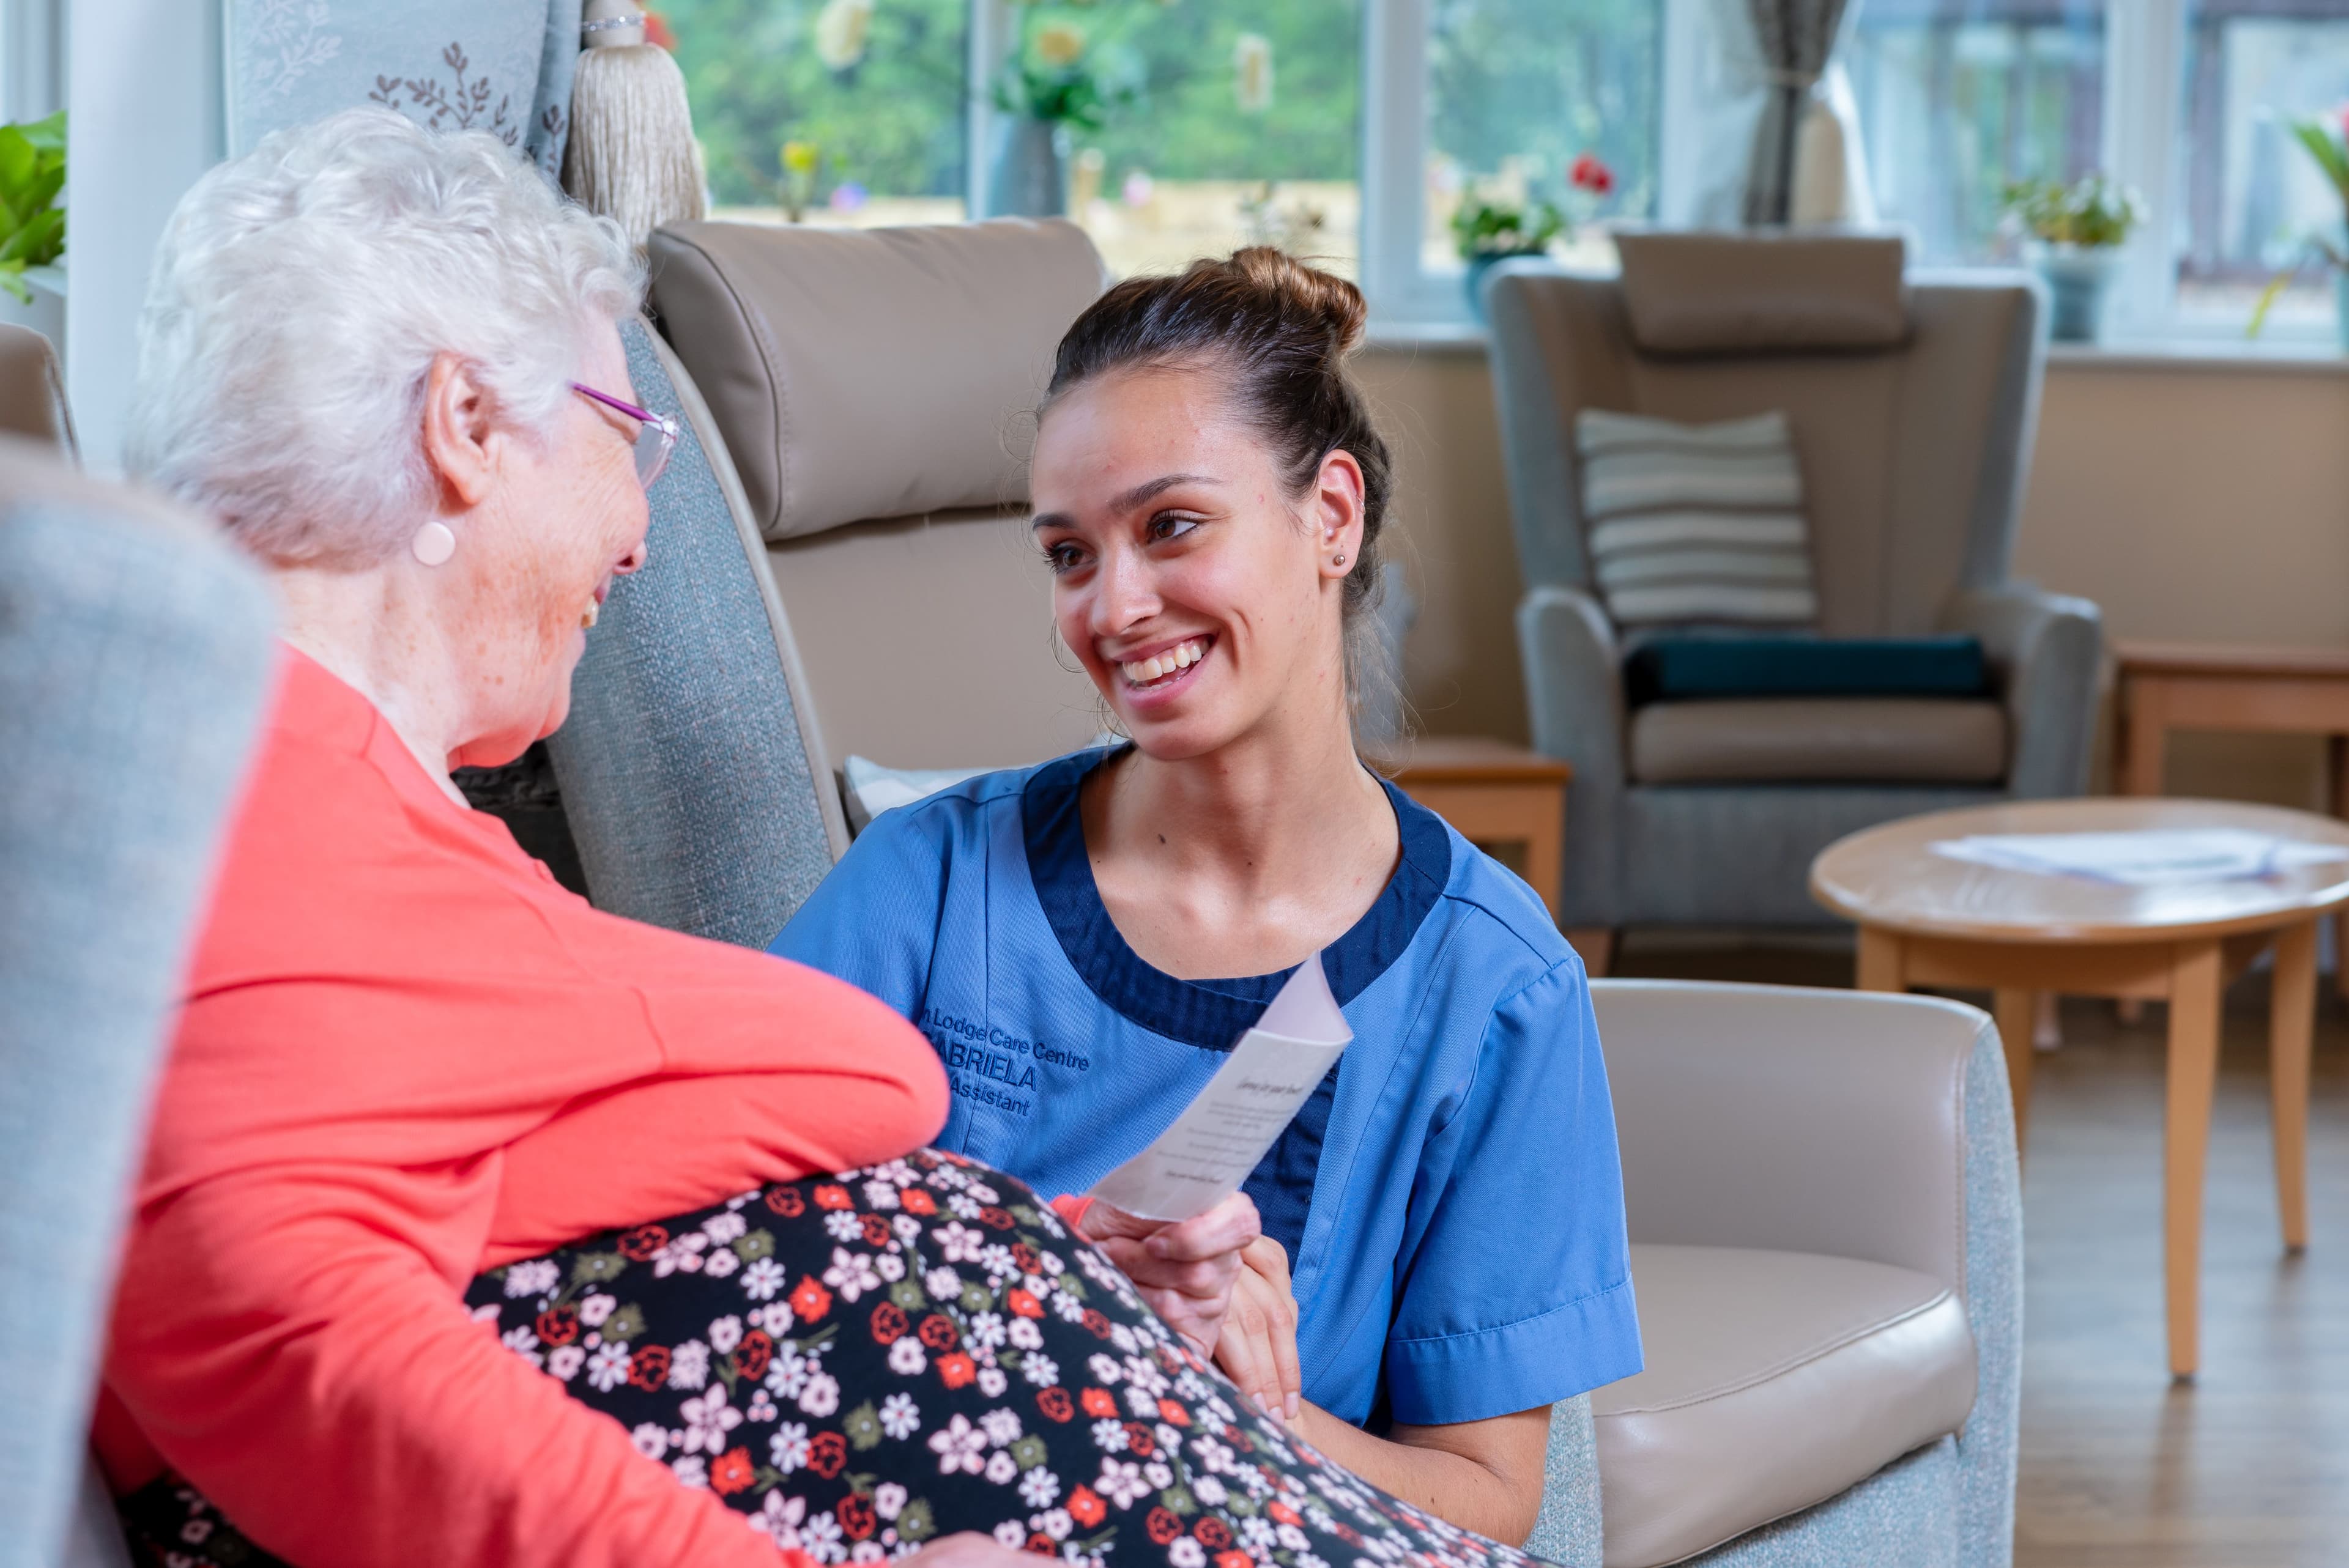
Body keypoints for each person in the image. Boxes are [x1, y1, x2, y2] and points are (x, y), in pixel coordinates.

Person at [93, 109, 1492, 1568]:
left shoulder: (353, 810)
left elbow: (502, 1194)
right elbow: (267, 1305)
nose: (641, 534)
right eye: (626, 434)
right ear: (464, 426)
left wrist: (1052, 1257)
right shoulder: (249, 783)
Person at [773, 251, 1641, 1544]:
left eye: (1170, 525)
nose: (1114, 607)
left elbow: (1484, 1509)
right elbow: (728, 1269)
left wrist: (1241, 1412)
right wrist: (1065, 1296)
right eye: (1071, 553)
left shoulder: (1495, 987)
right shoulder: (930, 888)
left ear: (1331, 518)